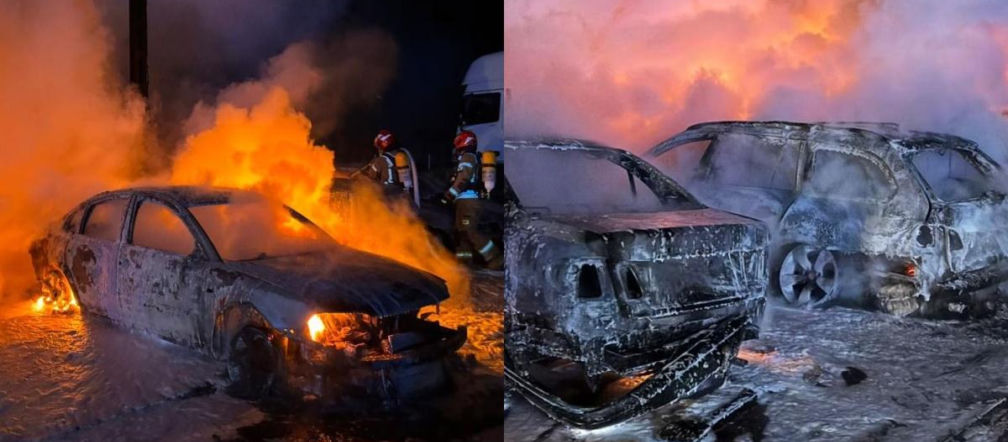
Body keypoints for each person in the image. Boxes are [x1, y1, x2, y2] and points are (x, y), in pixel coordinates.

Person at [442, 130, 503, 270]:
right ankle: (464, 263)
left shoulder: (468, 158)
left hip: (468, 201)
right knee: (462, 232)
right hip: (464, 201)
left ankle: (496, 258)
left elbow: (463, 178)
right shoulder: (469, 157)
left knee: (470, 231)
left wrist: (449, 195)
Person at [356, 129, 413, 198]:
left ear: (382, 146)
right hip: (401, 193)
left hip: (387, 194)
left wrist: (361, 177)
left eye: (379, 147)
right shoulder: (401, 156)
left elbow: (371, 176)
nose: (378, 150)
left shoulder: (381, 160)